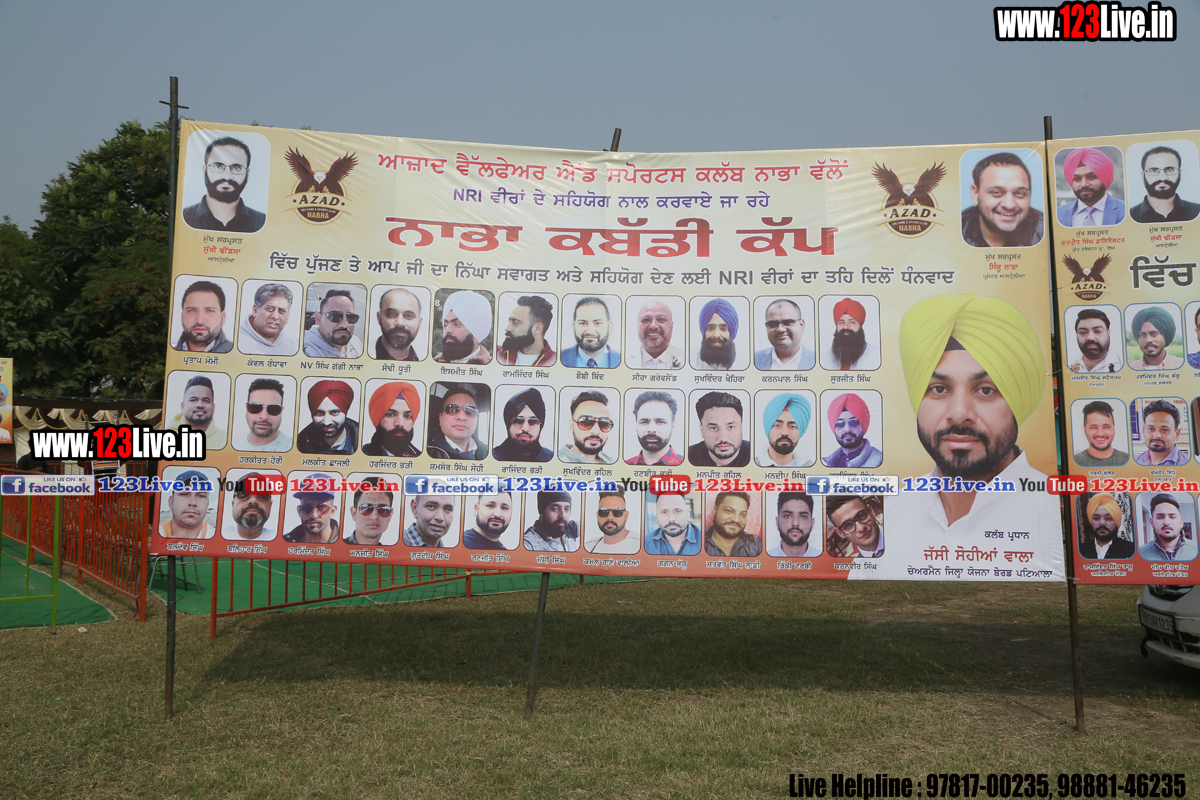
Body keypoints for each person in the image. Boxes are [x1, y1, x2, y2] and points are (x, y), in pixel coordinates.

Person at [893, 294, 1058, 538]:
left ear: (1020, 399)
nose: (959, 414)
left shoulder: (1056, 512)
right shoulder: (891, 517)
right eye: (939, 389)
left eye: (985, 390)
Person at [182, 136, 265, 233]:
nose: (227, 176)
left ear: (247, 174)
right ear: (205, 170)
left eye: (237, 168)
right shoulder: (184, 218)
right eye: (218, 166)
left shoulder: (262, 223)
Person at [961, 152, 1044, 248]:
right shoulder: (954, 231)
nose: (1009, 205)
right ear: (975, 194)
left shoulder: (1045, 229)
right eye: (996, 192)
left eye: (1020, 193)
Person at [1056, 147, 1126, 227]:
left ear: (1104, 178)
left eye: (1091, 177)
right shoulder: (1058, 215)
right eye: (1077, 179)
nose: (1084, 184)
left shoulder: (1126, 211)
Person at [1129, 146, 1200, 223]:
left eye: (1170, 170)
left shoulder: (1197, 212)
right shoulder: (1130, 217)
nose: (1162, 178)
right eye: (1153, 171)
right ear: (1143, 175)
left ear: (1180, 173)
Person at [688, 391, 751, 467]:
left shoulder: (755, 455)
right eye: (713, 428)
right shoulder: (688, 456)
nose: (723, 438)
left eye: (731, 427)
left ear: (741, 427)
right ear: (702, 431)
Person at [296, 379, 358, 455]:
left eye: (334, 413)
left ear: (345, 412)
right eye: (319, 413)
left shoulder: (363, 441)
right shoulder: (300, 445)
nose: (327, 422)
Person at [427, 385, 488, 460]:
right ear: (440, 418)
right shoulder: (424, 452)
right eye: (452, 409)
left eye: (470, 411)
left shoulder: (489, 453)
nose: (462, 417)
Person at [362, 382, 421, 458]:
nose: (400, 423)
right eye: (390, 414)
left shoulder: (418, 457)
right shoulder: (363, 457)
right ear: (377, 418)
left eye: (407, 416)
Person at [822, 393, 882, 468]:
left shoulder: (881, 462)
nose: (847, 429)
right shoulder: (826, 464)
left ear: (863, 425)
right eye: (840, 423)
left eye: (853, 422)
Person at [232, 378, 292, 452]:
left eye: (273, 409)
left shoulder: (294, 450)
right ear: (247, 408)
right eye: (255, 407)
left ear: (281, 411)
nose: (264, 416)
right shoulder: (233, 445)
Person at [493, 388, 553, 462]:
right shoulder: (493, 458)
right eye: (518, 421)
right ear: (508, 424)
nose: (525, 428)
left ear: (541, 426)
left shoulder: (550, 459)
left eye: (533, 422)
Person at [626, 390, 684, 466]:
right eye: (644, 422)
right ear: (636, 425)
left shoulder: (686, 467)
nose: (651, 429)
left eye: (660, 422)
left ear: (673, 426)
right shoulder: (624, 466)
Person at [434, 290, 493, 365]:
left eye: (457, 324)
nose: (447, 330)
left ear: (476, 330)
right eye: (445, 324)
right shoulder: (433, 364)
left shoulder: (491, 366)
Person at [754, 299, 815, 370]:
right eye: (773, 324)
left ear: (801, 325)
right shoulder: (754, 360)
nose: (780, 329)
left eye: (788, 322)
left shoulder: (818, 360)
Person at [561, 296, 621, 368]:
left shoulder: (623, 361)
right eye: (583, 323)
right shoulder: (558, 358)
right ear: (574, 326)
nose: (590, 331)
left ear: (609, 326)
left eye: (598, 323)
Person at [820, 298, 879, 371]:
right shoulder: (826, 358)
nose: (845, 326)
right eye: (841, 322)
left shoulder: (876, 356)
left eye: (852, 322)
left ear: (860, 326)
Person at [303, 289, 364, 359]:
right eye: (335, 316)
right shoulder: (307, 350)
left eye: (350, 317)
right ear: (319, 318)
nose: (344, 324)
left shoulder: (356, 343)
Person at [175, 280, 233, 354]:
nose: (199, 321)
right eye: (191, 310)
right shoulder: (169, 354)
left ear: (222, 318)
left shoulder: (236, 358)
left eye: (209, 311)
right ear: (182, 317)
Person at [497, 295, 556, 366]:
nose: (507, 328)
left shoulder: (556, 362)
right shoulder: (497, 354)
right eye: (509, 321)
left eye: (515, 322)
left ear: (537, 329)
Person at [171, 375, 227, 450]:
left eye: (206, 400)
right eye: (193, 400)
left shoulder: (225, 440)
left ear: (213, 407)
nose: (200, 405)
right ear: (183, 406)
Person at [239, 283, 296, 355]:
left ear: (287, 316)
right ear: (255, 310)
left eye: (281, 311)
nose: (275, 316)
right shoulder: (234, 342)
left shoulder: (294, 348)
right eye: (269, 309)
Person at [559, 390, 615, 464]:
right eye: (586, 422)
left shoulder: (614, 463)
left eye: (604, 423)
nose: (596, 431)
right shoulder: (553, 461)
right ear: (572, 426)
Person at [1138, 494, 1198, 562]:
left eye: (1172, 517)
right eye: (1160, 517)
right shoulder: (1140, 553)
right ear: (1152, 522)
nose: (1166, 522)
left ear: (1181, 522)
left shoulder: (1196, 549)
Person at [759, 393, 813, 468]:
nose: (785, 433)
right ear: (768, 429)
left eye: (792, 426)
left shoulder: (811, 468)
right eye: (777, 425)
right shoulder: (751, 468)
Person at [282, 475, 339, 543]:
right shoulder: (283, 543)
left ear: (332, 511)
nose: (313, 515)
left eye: (321, 508)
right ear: (299, 511)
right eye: (306, 508)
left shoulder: (346, 546)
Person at [703, 491, 761, 557]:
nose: (736, 520)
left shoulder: (756, 544)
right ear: (715, 510)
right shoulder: (699, 540)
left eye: (743, 514)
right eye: (729, 511)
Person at [159, 470, 213, 539]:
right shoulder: (155, 535)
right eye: (184, 494)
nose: (193, 502)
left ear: (207, 504)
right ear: (171, 502)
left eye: (201, 495)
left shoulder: (217, 539)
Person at [1078, 493, 1134, 560]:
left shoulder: (1131, 550)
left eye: (1108, 518)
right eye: (1096, 518)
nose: (1102, 523)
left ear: (1116, 521)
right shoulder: (1080, 550)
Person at [1133, 400, 1189, 466]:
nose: (1157, 435)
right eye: (1151, 429)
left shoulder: (1191, 465)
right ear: (1144, 432)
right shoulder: (1134, 463)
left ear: (1177, 434)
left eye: (1164, 430)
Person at [374, 287, 424, 361]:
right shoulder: (359, 352)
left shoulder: (427, 364)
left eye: (408, 316)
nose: (400, 323)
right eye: (391, 314)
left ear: (419, 323)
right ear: (379, 318)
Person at [631, 299, 684, 369]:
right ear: (637, 326)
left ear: (671, 326)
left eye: (661, 319)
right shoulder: (624, 359)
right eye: (646, 320)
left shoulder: (685, 359)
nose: (653, 326)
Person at [584, 488, 640, 554]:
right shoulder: (588, 547)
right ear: (597, 515)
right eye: (604, 512)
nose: (610, 517)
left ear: (626, 516)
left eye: (617, 512)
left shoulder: (640, 544)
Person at [1073, 400, 1128, 467]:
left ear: (1113, 428)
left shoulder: (1127, 461)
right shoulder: (1073, 463)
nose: (1100, 433)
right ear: (1085, 429)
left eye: (1106, 427)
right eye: (1093, 427)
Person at [767, 492, 821, 558]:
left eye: (803, 516)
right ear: (777, 522)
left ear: (812, 523)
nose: (795, 523)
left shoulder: (824, 560)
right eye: (787, 516)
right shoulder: (765, 560)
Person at [345, 480, 397, 547]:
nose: (374, 516)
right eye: (366, 508)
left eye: (383, 509)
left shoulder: (391, 552)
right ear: (354, 513)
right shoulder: (335, 549)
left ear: (390, 515)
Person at [1068, 309, 1122, 373]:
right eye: (1083, 332)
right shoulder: (1068, 366)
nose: (1090, 338)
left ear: (1108, 332)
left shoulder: (1123, 365)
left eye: (1098, 331)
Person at [223, 476, 276, 541]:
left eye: (262, 495)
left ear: (270, 505)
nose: (253, 500)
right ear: (233, 504)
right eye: (243, 494)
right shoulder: (217, 540)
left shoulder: (280, 543)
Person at [693, 298, 739, 370]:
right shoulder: (692, 363)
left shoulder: (743, 364)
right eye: (711, 328)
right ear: (704, 331)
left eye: (723, 329)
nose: (717, 335)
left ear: (731, 333)